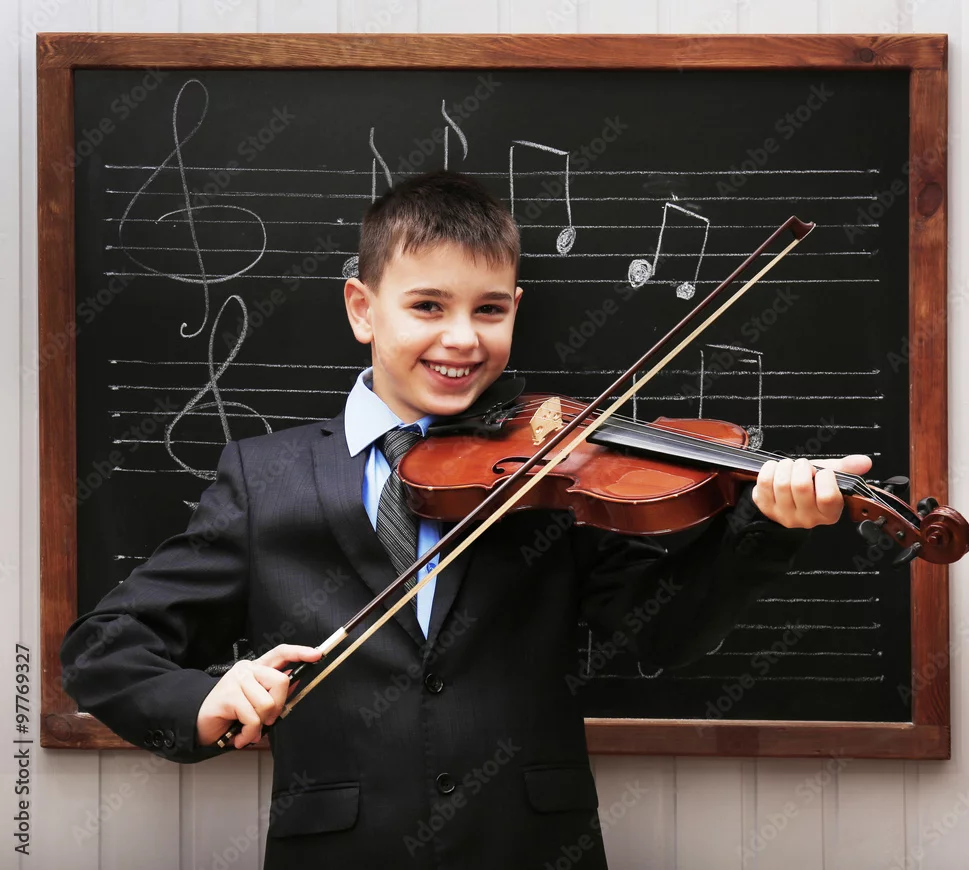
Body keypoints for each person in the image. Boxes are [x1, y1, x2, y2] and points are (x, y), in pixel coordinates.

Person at [60, 170, 871, 869]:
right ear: (362, 308)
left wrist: (763, 530)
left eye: (489, 310)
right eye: (427, 305)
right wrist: (208, 698)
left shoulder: (557, 470)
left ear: (516, 308)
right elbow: (103, 648)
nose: (461, 338)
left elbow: (662, 635)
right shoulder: (264, 479)